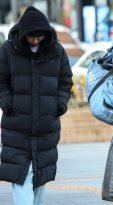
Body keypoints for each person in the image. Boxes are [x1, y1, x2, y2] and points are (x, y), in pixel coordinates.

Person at [0, 6, 73, 205]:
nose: (35, 40)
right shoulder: (8, 49)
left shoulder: (56, 50)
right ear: (23, 34)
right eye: (32, 37)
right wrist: (7, 103)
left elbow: (66, 81)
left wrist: (60, 104)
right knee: (22, 176)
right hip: (16, 125)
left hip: (46, 127)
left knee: (39, 178)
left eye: (40, 37)